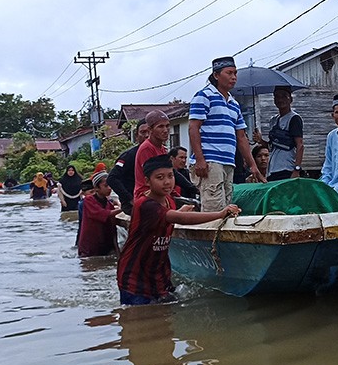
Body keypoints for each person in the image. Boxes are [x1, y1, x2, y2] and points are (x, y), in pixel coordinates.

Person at [117, 155, 241, 305]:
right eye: (160, 177)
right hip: (135, 278)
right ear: (147, 181)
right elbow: (177, 218)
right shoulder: (144, 204)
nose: (167, 182)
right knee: (139, 321)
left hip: (158, 274)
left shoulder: (168, 201)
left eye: (170, 176)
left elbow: (168, 217)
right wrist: (220, 214)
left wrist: (180, 211)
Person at [189, 56, 266, 212]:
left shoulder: (234, 103)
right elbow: (193, 128)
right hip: (211, 161)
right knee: (214, 209)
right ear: (216, 75)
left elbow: (241, 137)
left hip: (228, 162)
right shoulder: (204, 96)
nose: (233, 77)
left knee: (226, 206)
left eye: (235, 73)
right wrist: (200, 159)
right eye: (229, 73)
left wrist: (252, 165)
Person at [254, 86, 304, 181]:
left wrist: (297, 169)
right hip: (273, 168)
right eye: (277, 96)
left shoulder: (294, 119)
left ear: (291, 99)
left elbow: (300, 145)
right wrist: (260, 140)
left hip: (287, 167)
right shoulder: (273, 120)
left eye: (284, 96)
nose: (280, 99)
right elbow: (272, 146)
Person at [108, 119, 149, 215]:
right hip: (132, 205)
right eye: (143, 132)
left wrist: (190, 188)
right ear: (136, 136)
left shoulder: (159, 153)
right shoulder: (129, 156)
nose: (147, 135)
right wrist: (130, 199)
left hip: (153, 201)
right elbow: (112, 178)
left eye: (149, 132)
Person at [78, 171, 123, 257]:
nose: (109, 188)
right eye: (106, 186)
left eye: (110, 186)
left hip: (105, 245)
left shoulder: (108, 203)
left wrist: (116, 249)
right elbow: (103, 214)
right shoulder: (88, 200)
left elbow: (113, 227)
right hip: (90, 247)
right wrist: (123, 208)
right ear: (96, 188)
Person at [133, 110, 171, 199]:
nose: (165, 130)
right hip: (147, 196)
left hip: (160, 193)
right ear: (150, 130)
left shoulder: (162, 148)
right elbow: (154, 179)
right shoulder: (146, 148)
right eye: (160, 126)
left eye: (167, 126)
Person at [75, 178, 94, 246]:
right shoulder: (83, 204)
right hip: (85, 237)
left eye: (95, 192)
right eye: (91, 192)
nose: (93, 194)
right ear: (83, 193)